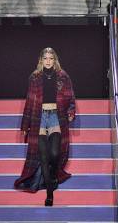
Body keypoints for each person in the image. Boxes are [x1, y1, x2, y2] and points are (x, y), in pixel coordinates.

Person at [14, 47, 76, 207]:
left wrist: (71, 111)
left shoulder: (63, 76)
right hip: (39, 117)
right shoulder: (34, 77)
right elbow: (29, 100)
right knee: (43, 157)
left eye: (51, 58)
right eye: (45, 58)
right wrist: (25, 124)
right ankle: (49, 194)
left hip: (56, 116)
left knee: (55, 154)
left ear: (55, 60)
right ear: (41, 60)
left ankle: (53, 176)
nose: (48, 61)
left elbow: (70, 97)